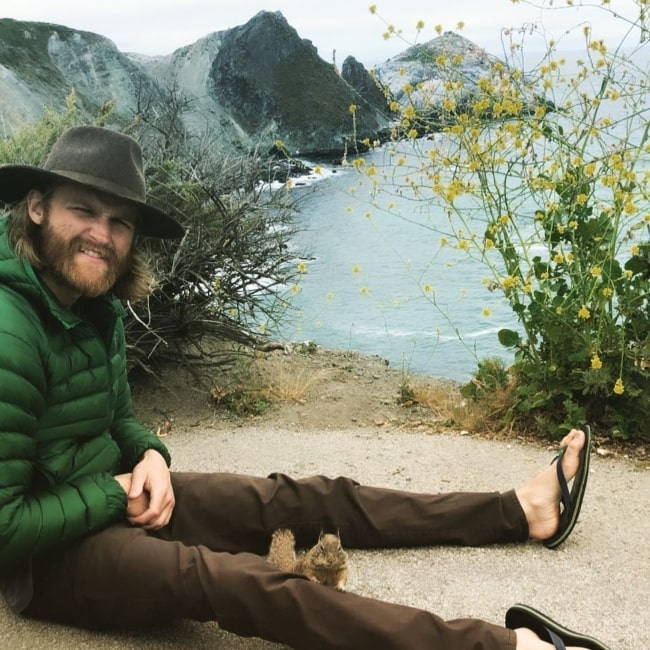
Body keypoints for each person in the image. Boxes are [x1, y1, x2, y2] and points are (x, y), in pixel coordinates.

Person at [0, 125, 610, 650]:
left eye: (120, 222)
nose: (102, 236)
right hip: (44, 562)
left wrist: (151, 456)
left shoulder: (94, 305)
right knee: (231, 579)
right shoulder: (10, 331)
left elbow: (118, 420)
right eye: (83, 210)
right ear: (36, 207)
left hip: (113, 495)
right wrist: (114, 493)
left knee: (296, 499)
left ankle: (520, 512)